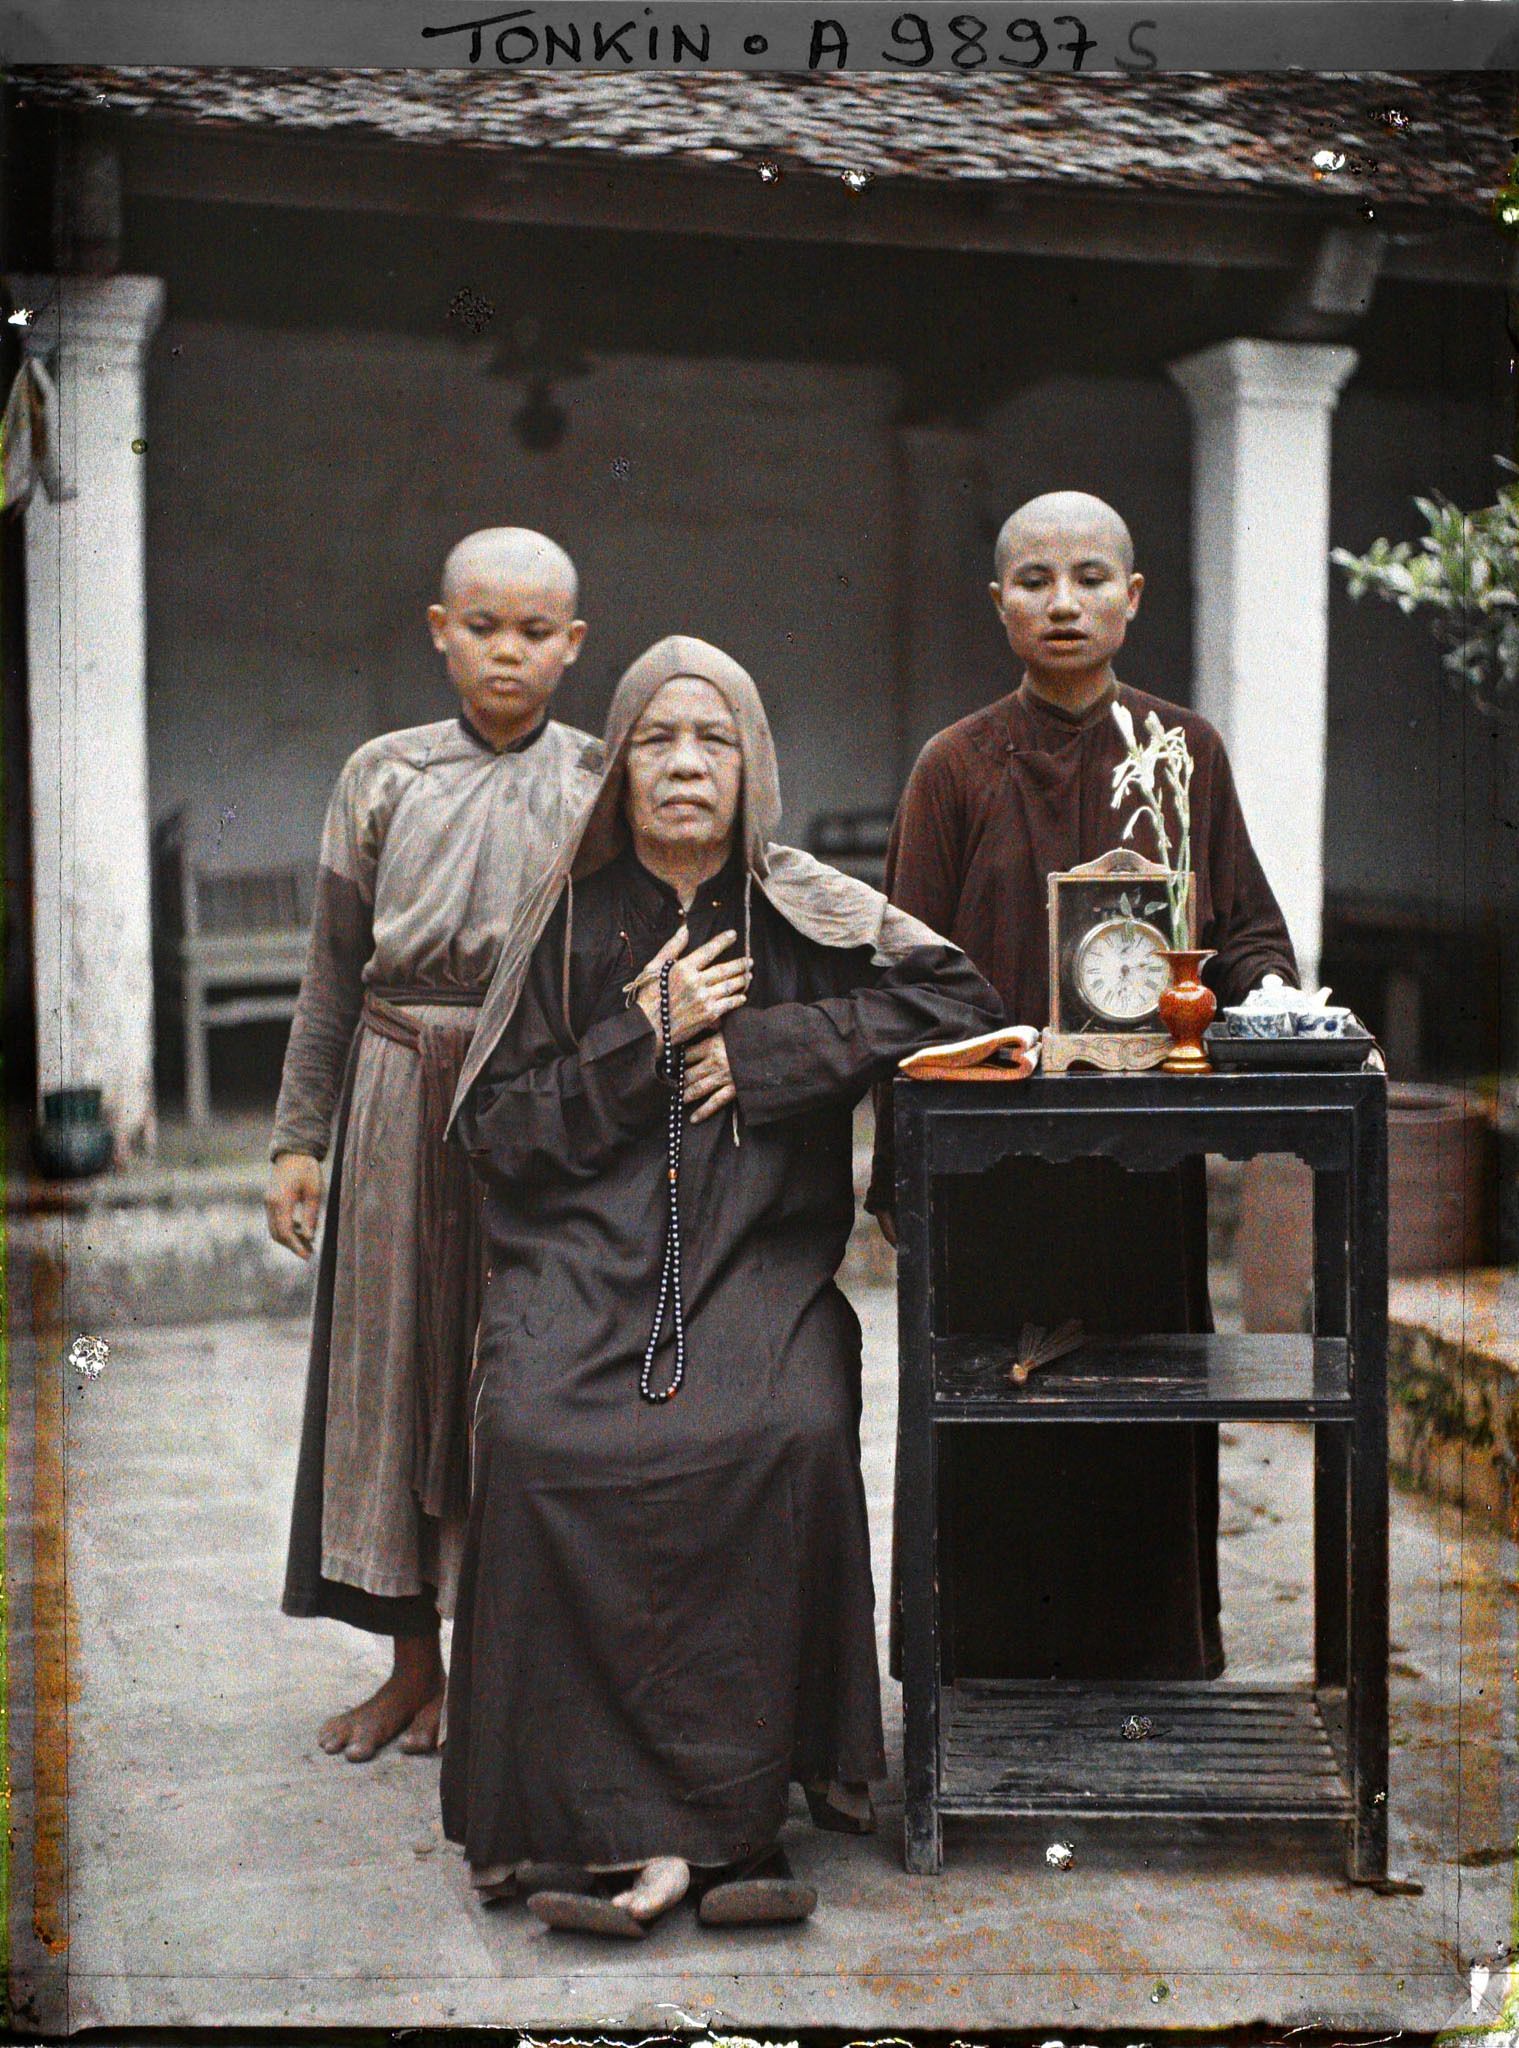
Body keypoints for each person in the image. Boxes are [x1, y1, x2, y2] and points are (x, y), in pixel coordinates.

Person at [442, 635, 1002, 1935]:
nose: (685, 763)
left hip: (758, 1265)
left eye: (714, 740)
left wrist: (769, 1048)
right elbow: (496, 1132)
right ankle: (592, 1820)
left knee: (786, 1427)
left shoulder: (808, 908)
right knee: (534, 1437)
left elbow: (963, 999)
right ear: (616, 769)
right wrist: (642, 1035)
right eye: (656, 739)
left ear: (755, 767)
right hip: (578, 1269)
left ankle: (728, 1817)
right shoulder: (563, 918)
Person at [869, 490, 1300, 1684]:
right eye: (1034, 579)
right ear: (998, 601)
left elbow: (1247, 929)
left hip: (1141, 1166)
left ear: (1132, 596)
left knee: (1143, 1406)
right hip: (992, 1165)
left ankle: (1147, 1664)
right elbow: (902, 976)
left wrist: (1270, 1001)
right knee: (990, 1417)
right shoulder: (955, 765)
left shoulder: (1183, 752)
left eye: (1090, 576)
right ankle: (983, 1671)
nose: (1063, 601)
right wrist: (900, 1169)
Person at [266, 527, 601, 1762]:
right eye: (483, 625)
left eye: (534, 631)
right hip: (395, 1087)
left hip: (533, 1100)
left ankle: (495, 1672)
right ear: (440, 632)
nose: (506, 651)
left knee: (509, 1377)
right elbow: (329, 972)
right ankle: (413, 1666)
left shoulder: (597, 779)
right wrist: (298, 1138)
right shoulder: (381, 775)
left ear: (572, 645)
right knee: (391, 1372)